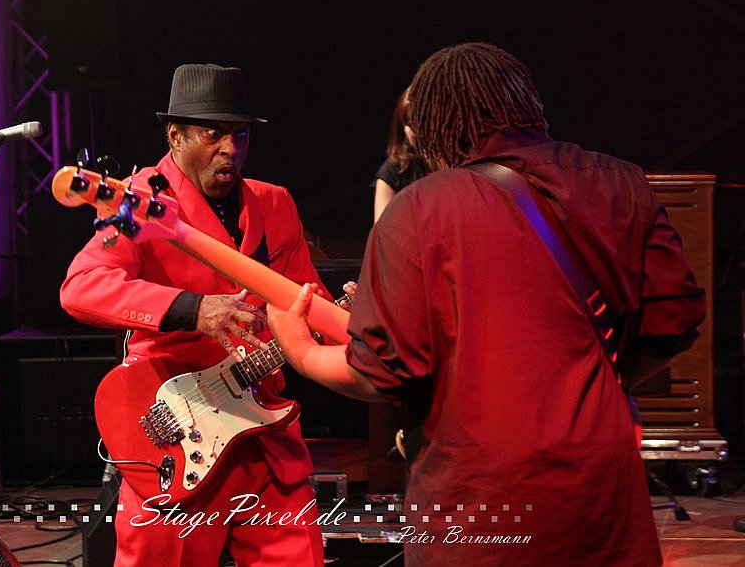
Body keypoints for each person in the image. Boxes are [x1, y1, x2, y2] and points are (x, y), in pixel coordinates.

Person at [268, 42, 706, 566]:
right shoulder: (623, 183)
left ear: (433, 128)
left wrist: (300, 350)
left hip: (478, 501)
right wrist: (594, 391)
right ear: (526, 102)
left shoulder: (417, 209)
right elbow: (674, 321)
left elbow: (383, 373)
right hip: (601, 493)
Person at [60, 63, 332, 567]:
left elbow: (306, 304)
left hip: (264, 437)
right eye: (214, 133)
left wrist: (346, 315)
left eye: (240, 134)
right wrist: (191, 309)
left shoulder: (275, 204)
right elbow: (81, 288)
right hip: (177, 435)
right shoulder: (139, 200)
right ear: (175, 135)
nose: (231, 148)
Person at [372, 86, 430, 222]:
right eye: (409, 122)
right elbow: (382, 230)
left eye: (422, 121)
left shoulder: (458, 163)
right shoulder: (392, 172)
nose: (414, 129)